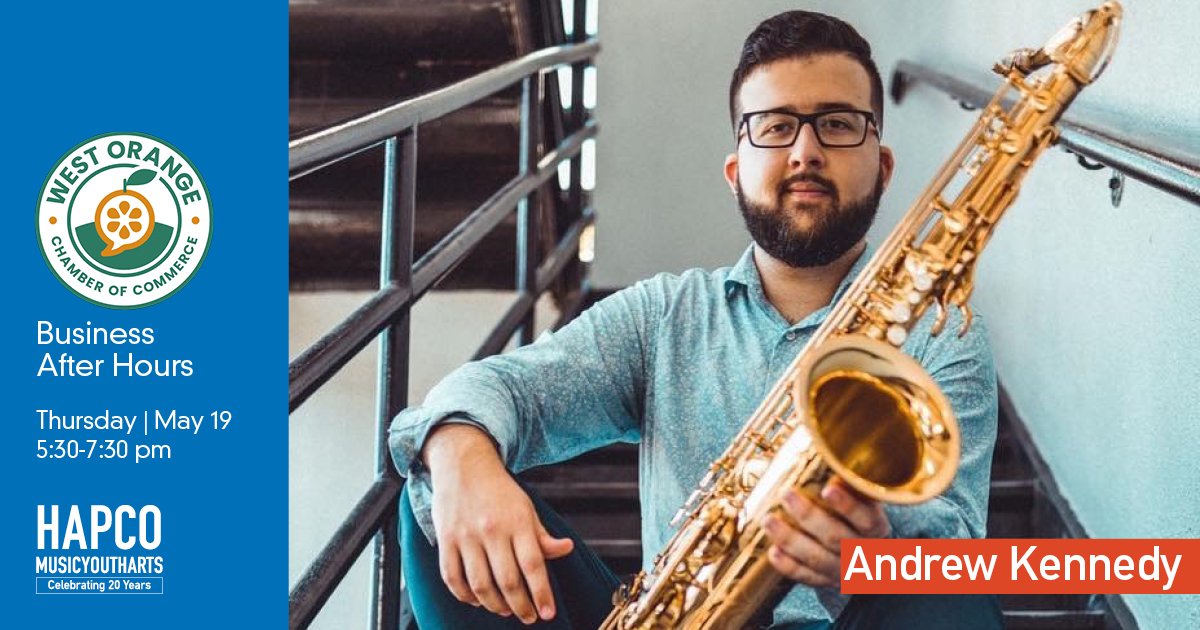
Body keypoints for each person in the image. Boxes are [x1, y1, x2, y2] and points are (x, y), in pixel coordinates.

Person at [389, 10, 1002, 630]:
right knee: (434, 494)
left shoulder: (944, 331)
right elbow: (504, 389)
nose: (806, 151)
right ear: (736, 174)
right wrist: (461, 449)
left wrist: (876, 549)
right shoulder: (663, 315)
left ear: (883, 167)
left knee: (949, 584)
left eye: (838, 125)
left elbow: (962, 563)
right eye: (775, 126)